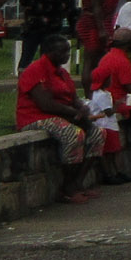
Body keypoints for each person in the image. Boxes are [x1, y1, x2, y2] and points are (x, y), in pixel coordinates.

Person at [15, 33, 98, 204]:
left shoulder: (62, 74)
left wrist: (81, 108)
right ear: (49, 52)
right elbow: (45, 104)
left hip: (61, 115)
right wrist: (73, 114)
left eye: (68, 51)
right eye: (63, 52)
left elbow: (74, 98)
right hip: (35, 117)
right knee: (74, 135)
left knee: (97, 134)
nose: (67, 55)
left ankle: (77, 182)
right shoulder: (35, 71)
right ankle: (66, 188)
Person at [88, 25, 131, 184]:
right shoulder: (122, 61)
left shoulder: (107, 57)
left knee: (114, 150)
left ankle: (117, 172)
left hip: (114, 107)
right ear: (128, 44)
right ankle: (112, 173)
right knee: (110, 150)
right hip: (112, 114)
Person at [74, 0, 118, 88]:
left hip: (96, 21)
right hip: (95, 24)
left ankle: (98, 90)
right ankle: (90, 93)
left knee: (96, 61)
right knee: (92, 61)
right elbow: (96, 5)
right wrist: (101, 29)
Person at [17, 0, 72, 70]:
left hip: (32, 27)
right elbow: (66, 6)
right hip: (52, 27)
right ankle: (47, 79)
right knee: (48, 57)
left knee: (27, 56)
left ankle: (23, 81)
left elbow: (24, 3)